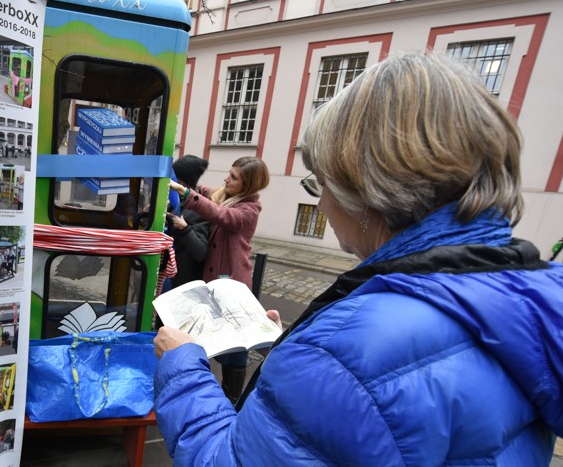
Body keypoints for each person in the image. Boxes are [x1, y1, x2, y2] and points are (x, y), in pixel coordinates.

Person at [153, 53, 563, 465]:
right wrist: (290, 352)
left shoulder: (341, 352)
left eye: (322, 183)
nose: (325, 205)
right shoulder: (522, 300)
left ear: (365, 191)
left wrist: (183, 367)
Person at [168, 155, 269, 402]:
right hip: (214, 283)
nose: (227, 178)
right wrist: (179, 181)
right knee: (208, 338)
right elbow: (203, 191)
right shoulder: (226, 194)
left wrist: (186, 193)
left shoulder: (249, 210)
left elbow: (219, 214)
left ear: (248, 185)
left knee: (234, 348)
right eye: (229, 173)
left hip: (233, 285)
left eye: (234, 177)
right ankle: (206, 395)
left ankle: (232, 398)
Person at [166, 155, 211, 289]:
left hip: (182, 282)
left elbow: (201, 252)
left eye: (174, 180)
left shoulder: (199, 209)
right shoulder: (175, 201)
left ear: (182, 183)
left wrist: (184, 228)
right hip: (169, 275)